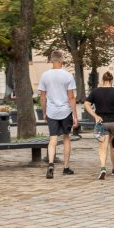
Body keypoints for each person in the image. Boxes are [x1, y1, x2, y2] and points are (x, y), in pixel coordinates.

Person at [83, 71, 114, 180]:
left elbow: (86, 104)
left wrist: (95, 115)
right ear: (111, 81)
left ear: (102, 80)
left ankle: (103, 168)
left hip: (102, 123)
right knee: (113, 146)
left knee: (103, 146)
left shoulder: (95, 92)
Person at [38, 51, 79, 179]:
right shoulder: (68, 76)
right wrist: (75, 115)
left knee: (53, 139)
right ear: (61, 61)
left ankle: (50, 165)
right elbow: (71, 97)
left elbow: (42, 98)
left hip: (52, 111)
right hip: (65, 111)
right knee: (66, 138)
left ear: (51, 60)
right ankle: (66, 168)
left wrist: (44, 113)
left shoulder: (44, 76)